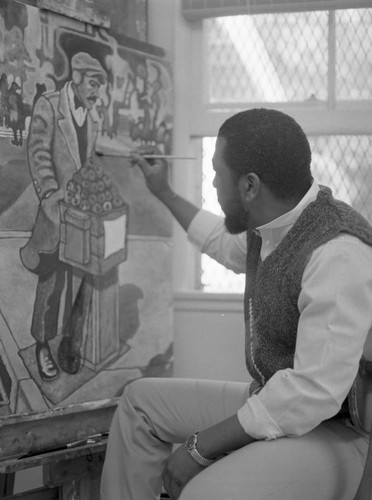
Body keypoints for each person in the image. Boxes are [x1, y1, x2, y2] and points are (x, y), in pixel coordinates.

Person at [100, 108, 372, 500]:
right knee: (139, 404)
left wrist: (199, 448)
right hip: (274, 401)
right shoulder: (274, 224)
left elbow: (312, 393)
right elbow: (221, 242)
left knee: (204, 492)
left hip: (336, 432)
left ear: (249, 186)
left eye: (216, 172)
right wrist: (163, 192)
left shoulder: (337, 253)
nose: (212, 182)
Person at [20, 52, 107, 381]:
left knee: (84, 281)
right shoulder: (50, 104)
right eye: (94, 84)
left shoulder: (94, 118)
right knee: (52, 282)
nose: (97, 92)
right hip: (56, 214)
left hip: (82, 216)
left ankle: (70, 346)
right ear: (78, 77)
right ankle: (42, 344)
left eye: (100, 86)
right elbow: (38, 150)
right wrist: (49, 194)